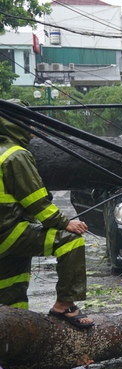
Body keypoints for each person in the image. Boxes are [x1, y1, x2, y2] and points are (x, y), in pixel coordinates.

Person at [0, 99, 94, 329]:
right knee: (70, 242)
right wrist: (64, 224)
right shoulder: (15, 155)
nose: (32, 132)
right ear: (16, 124)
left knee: (11, 287)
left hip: (6, 234)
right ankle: (64, 305)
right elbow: (36, 201)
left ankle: (13, 333)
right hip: (9, 233)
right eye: (28, 124)